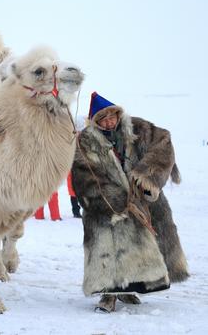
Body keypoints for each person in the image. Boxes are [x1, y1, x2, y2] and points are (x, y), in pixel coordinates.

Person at [71, 92, 189, 313]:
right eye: (102, 119)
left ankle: (128, 289)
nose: (108, 122)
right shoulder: (86, 142)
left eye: (111, 116)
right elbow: (85, 177)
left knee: (139, 246)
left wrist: (147, 177)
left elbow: (163, 142)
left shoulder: (138, 129)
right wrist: (114, 202)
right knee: (109, 249)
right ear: (95, 122)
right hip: (107, 206)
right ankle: (109, 294)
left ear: (118, 114)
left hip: (141, 201)